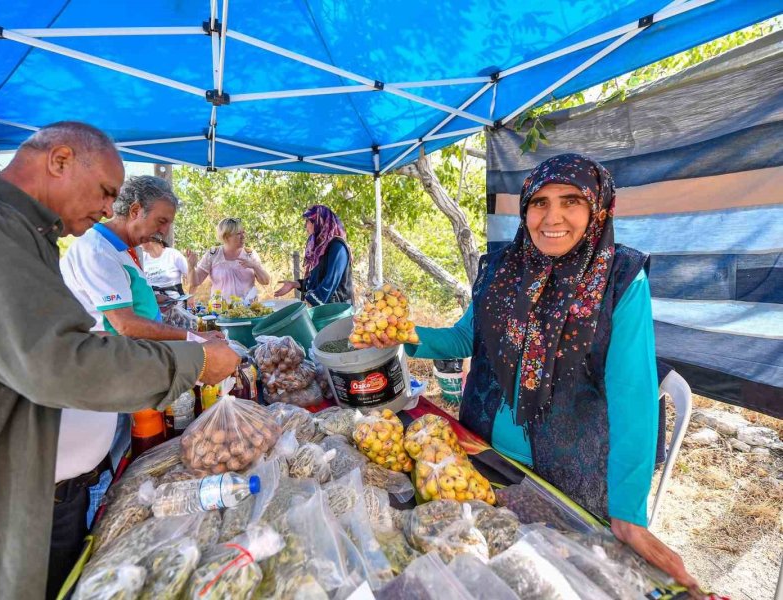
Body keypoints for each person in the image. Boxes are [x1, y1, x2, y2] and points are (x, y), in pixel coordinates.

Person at [0, 121, 240, 600]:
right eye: (106, 191)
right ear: (60, 160)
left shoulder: (8, 229)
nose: (109, 208)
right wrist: (193, 362)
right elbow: (60, 363)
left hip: (17, 495)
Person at [405, 154, 700, 594]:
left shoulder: (619, 278)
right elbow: (464, 339)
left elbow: (633, 398)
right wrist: (402, 334)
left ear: (598, 208)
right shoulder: (503, 267)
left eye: (571, 201)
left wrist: (629, 515)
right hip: (482, 453)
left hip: (566, 476)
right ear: (524, 209)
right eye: (539, 203)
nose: (553, 217)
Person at [53, 174, 220, 598]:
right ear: (135, 211)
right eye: (161, 220)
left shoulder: (125, 252)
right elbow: (125, 324)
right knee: (96, 489)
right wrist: (195, 343)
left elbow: (138, 312)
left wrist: (172, 319)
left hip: (118, 386)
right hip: (93, 391)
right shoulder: (95, 250)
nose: (165, 230)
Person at [274, 204, 353, 305]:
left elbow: (329, 283)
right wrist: (294, 284)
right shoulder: (320, 248)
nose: (305, 226)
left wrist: (306, 304)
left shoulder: (337, 247)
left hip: (337, 312)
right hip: (324, 310)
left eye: (308, 221)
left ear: (318, 222)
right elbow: (316, 280)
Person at [187, 217, 270, 301]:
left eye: (243, 232)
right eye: (238, 234)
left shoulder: (250, 254)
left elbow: (266, 281)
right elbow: (195, 282)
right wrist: (191, 266)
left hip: (248, 310)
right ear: (226, 236)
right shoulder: (213, 254)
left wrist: (254, 266)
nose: (243, 236)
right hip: (219, 309)